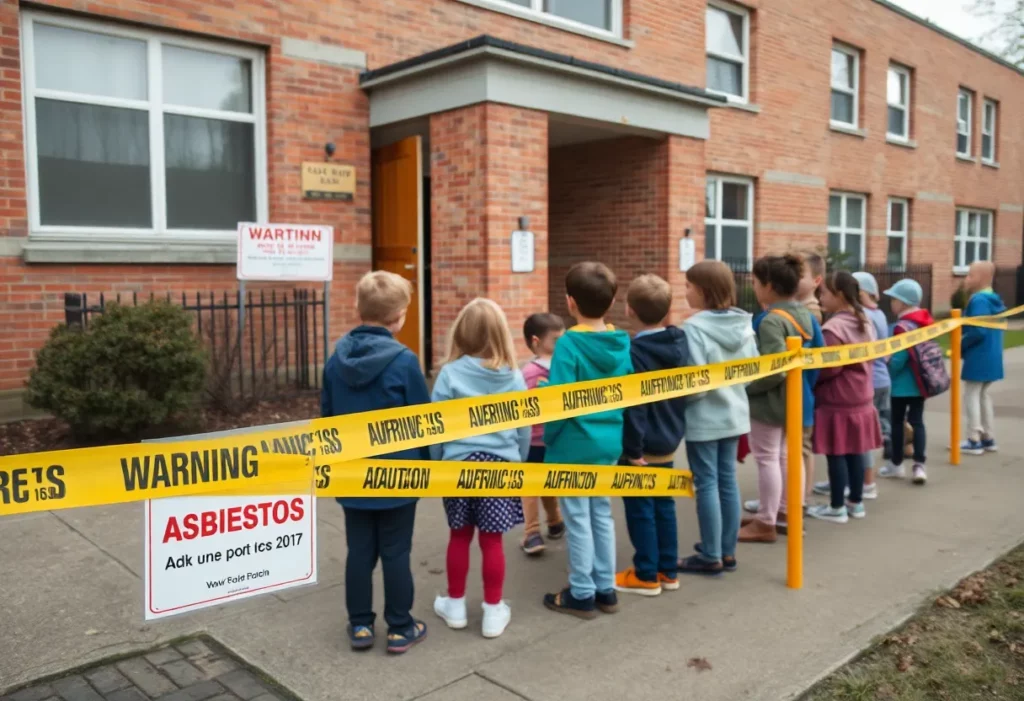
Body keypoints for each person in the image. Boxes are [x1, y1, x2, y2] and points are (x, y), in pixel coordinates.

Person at [321, 270, 429, 654]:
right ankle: (401, 627)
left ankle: (361, 626)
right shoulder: (405, 361)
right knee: (396, 551)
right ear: (399, 316)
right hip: (400, 477)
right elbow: (424, 422)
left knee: (360, 551)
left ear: (357, 307)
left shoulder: (336, 360)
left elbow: (327, 418)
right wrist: (429, 468)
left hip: (352, 475)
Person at [430, 298, 530, 639]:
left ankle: (455, 605)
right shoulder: (514, 377)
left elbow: (435, 427)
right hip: (500, 467)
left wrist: (436, 464)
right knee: (493, 541)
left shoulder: (449, 374)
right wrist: (522, 461)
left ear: (460, 333)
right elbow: (524, 429)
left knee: (459, 536)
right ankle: (492, 611)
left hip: (457, 467)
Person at [542, 262, 632, 618]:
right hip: (609, 441)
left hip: (573, 443)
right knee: (601, 513)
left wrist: (549, 434)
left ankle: (581, 592)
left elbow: (559, 401)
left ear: (570, 302)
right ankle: (605, 588)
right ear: (610, 304)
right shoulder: (621, 342)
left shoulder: (568, 345)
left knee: (577, 517)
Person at [679, 261, 758, 574]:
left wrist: (681, 400)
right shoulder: (744, 326)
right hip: (735, 414)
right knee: (728, 481)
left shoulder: (693, 329)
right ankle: (727, 551)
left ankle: (710, 553)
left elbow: (695, 383)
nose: (684, 291)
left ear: (701, 290)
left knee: (707, 484)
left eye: (687, 285)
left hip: (704, 419)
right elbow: (752, 372)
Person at [616, 274, 688, 595]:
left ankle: (645, 574)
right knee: (664, 504)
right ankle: (668, 571)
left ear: (629, 310)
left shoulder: (634, 354)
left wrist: (632, 451)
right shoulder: (679, 344)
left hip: (642, 447)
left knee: (640, 508)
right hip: (670, 439)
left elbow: (636, 408)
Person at [739, 254, 816, 544]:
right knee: (786, 456)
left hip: (770, 403)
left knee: (767, 458)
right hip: (793, 399)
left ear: (768, 286)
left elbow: (774, 369)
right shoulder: (801, 313)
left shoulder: (771, 321)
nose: (754, 287)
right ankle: (786, 512)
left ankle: (766, 520)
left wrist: (747, 387)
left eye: (756, 282)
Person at [807, 271, 881, 523]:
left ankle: (837, 506)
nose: (820, 297)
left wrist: (811, 372)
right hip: (861, 398)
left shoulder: (834, 328)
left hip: (837, 400)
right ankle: (855, 503)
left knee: (836, 452)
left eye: (824, 293)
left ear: (839, 295)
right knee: (855, 452)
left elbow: (829, 367)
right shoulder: (864, 320)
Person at [520, 313, 566, 554]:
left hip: (533, 440)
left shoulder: (528, 372)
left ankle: (532, 533)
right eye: (558, 340)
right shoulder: (565, 367)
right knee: (549, 483)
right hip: (557, 438)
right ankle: (555, 522)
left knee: (530, 487)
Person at [879, 280, 932, 485]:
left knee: (897, 423)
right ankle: (920, 465)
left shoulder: (902, 327)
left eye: (894, 299)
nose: (891, 303)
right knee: (918, 422)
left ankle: (897, 464)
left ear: (902, 303)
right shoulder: (925, 321)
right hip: (920, 383)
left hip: (901, 385)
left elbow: (899, 359)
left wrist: (887, 369)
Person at [959, 261, 1006, 455]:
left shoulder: (978, 300)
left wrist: (960, 344)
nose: (966, 279)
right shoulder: (994, 299)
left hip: (979, 355)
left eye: (969, 275)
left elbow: (978, 330)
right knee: (983, 395)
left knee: (971, 394)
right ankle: (988, 436)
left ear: (979, 278)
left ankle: (974, 438)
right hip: (993, 355)